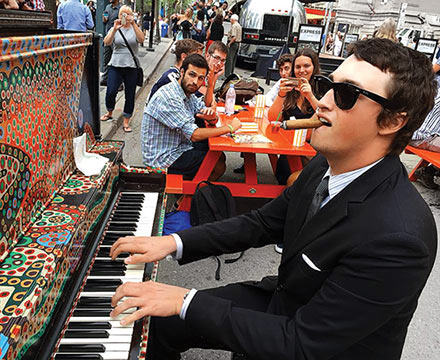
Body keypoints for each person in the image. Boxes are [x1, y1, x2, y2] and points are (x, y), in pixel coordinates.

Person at [109, 38, 437, 360]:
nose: (322, 102)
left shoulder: (400, 238)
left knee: (177, 308)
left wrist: (185, 300)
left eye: (347, 94)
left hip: (312, 342)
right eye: (327, 85)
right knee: (157, 321)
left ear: (394, 120)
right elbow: (262, 222)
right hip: (286, 304)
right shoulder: (324, 166)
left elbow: (302, 343)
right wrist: (172, 243)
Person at [141, 54, 241, 180]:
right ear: (182, 72)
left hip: (178, 146)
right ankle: (188, 196)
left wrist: (211, 117)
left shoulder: (186, 91)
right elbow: (194, 134)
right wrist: (230, 128)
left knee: (218, 155)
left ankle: (192, 184)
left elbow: (203, 107)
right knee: (217, 165)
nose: (195, 82)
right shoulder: (170, 97)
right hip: (163, 158)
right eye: (192, 75)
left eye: (200, 78)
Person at [268, 48, 320, 184]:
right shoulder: (291, 89)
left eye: (306, 66)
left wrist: (310, 96)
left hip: (313, 151)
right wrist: (281, 95)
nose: (302, 70)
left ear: (314, 67)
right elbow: (273, 119)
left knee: (295, 181)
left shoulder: (322, 88)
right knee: (286, 176)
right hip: (289, 150)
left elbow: (326, 116)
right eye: (298, 67)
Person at [100, 5, 145, 133]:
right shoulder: (115, 27)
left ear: (131, 15)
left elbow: (141, 39)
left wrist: (134, 24)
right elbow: (106, 42)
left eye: (127, 14)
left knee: (130, 94)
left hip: (131, 66)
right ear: (119, 15)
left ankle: (126, 120)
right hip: (115, 64)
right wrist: (114, 29)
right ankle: (109, 112)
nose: (124, 17)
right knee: (111, 91)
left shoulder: (135, 28)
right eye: (122, 14)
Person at [409, 56, 440, 189]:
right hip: (423, 136)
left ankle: (429, 172)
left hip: (415, 133)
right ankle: (428, 171)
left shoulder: (434, 84)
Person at [100, 0, 121, 86]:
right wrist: (104, 19)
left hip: (117, 38)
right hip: (108, 37)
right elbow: (104, 21)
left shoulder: (121, 9)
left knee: (116, 60)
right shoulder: (107, 7)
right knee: (106, 58)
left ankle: (119, 83)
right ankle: (105, 78)